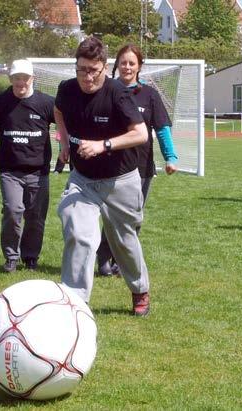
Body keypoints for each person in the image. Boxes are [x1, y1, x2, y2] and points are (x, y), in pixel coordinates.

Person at [54, 36, 151, 316]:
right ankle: (75, 303)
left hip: (120, 181)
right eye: (81, 69)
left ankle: (139, 289)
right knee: (78, 232)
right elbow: (58, 111)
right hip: (83, 180)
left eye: (92, 70)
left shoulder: (118, 93)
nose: (86, 77)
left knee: (124, 242)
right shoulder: (67, 89)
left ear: (104, 67)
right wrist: (63, 143)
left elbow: (141, 134)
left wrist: (103, 145)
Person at [96, 43, 178, 277]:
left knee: (133, 218)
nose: (127, 67)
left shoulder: (150, 95)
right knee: (111, 217)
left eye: (132, 63)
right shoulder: (106, 90)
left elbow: (162, 129)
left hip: (141, 168)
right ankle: (104, 258)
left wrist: (170, 157)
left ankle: (123, 262)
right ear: (116, 65)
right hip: (109, 166)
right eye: (123, 62)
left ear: (139, 66)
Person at [0, 59, 55, 272]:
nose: (21, 82)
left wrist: (65, 143)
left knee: (35, 217)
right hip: (10, 170)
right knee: (13, 211)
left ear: (32, 79)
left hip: (39, 172)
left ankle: (30, 256)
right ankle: (11, 256)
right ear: (10, 79)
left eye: (25, 78)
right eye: (16, 78)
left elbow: (65, 124)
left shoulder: (46, 103)